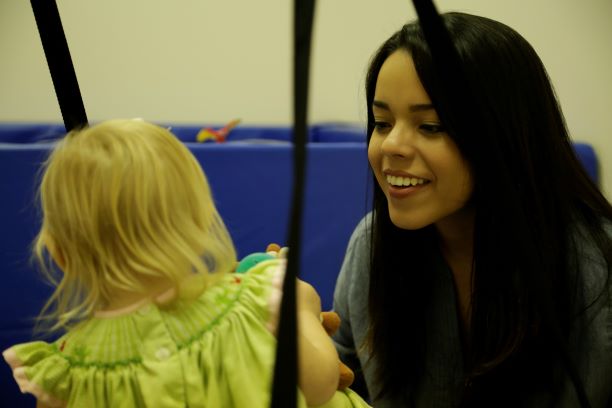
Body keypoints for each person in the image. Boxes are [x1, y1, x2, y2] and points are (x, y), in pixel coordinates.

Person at [332, 12, 612, 408]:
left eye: (430, 126)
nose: (391, 145)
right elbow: (337, 384)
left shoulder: (596, 270)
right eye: (381, 122)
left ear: (504, 137)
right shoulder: (372, 247)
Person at [2, 119, 370, 408]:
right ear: (197, 225)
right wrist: (300, 307)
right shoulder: (251, 302)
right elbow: (321, 383)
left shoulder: (68, 369)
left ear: (59, 255)